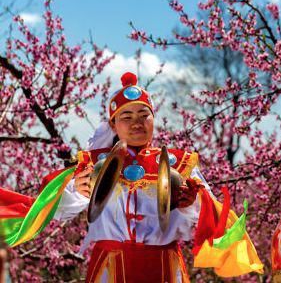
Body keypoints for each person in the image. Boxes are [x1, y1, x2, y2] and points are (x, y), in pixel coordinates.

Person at [0, 72, 263, 282]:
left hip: (165, 266)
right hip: (110, 267)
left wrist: (190, 202)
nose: (136, 122)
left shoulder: (179, 163)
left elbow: (209, 213)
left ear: (153, 120)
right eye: (126, 116)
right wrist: (77, 192)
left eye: (143, 115)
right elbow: (56, 210)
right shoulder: (92, 163)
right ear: (113, 124)